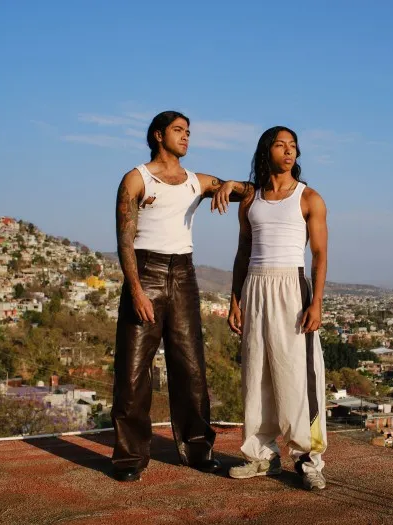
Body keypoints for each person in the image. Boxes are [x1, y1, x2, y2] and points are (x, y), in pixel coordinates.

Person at [112, 110, 252, 482]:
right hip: (146, 271)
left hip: (185, 274)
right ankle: (129, 457)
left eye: (189, 131)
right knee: (133, 369)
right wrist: (136, 290)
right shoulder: (136, 178)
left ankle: (196, 449)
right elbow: (124, 239)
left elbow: (251, 193)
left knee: (190, 366)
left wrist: (229, 185)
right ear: (159, 135)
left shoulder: (196, 181)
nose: (186, 136)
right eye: (178, 130)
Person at [228, 126, 328, 490]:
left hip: (292, 287)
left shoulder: (309, 198)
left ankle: (308, 459)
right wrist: (235, 297)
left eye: (294, 147)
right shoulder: (250, 200)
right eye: (281, 145)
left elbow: (319, 255)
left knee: (298, 377)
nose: (289, 152)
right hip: (255, 285)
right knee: (256, 375)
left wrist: (316, 301)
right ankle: (260, 455)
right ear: (266, 151)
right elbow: (242, 251)